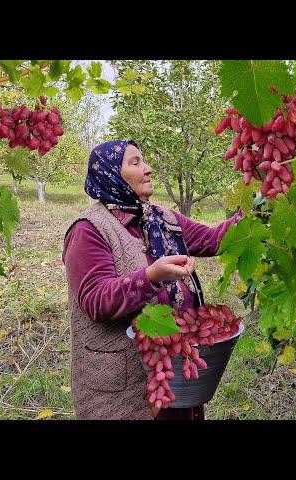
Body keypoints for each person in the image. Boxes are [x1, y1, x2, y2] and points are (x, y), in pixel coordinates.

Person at [62, 139, 243, 420]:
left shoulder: (162, 219)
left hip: (174, 371)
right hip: (122, 386)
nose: (148, 169)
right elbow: (96, 301)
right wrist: (151, 277)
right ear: (110, 173)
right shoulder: (89, 230)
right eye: (135, 162)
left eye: (144, 161)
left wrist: (258, 207)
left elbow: (214, 239)